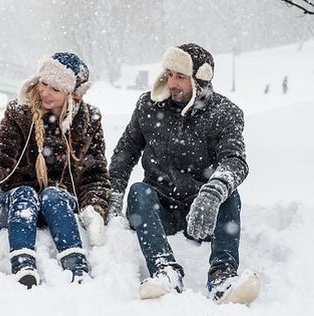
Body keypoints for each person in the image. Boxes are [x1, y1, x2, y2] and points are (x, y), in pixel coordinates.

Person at [108, 43, 260, 304]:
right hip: (160, 209)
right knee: (138, 192)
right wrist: (112, 195)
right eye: (169, 74)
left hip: (203, 212)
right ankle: (165, 271)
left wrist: (213, 192)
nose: (172, 82)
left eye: (180, 76)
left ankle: (222, 278)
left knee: (229, 194)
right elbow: (125, 153)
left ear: (199, 80)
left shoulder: (224, 114)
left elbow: (235, 160)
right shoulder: (148, 106)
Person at [0, 52, 110, 289]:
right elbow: (0, 159)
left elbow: (95, 174)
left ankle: (76, 265)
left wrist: (95, 208)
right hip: (13, 204)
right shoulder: (19, 112)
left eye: (55, 88)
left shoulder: (88, 120)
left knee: (54, 194)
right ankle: (23, 264)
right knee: (25, 193)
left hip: (57, 206)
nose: (45, 92)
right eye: (43, 83)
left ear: (73, 95)